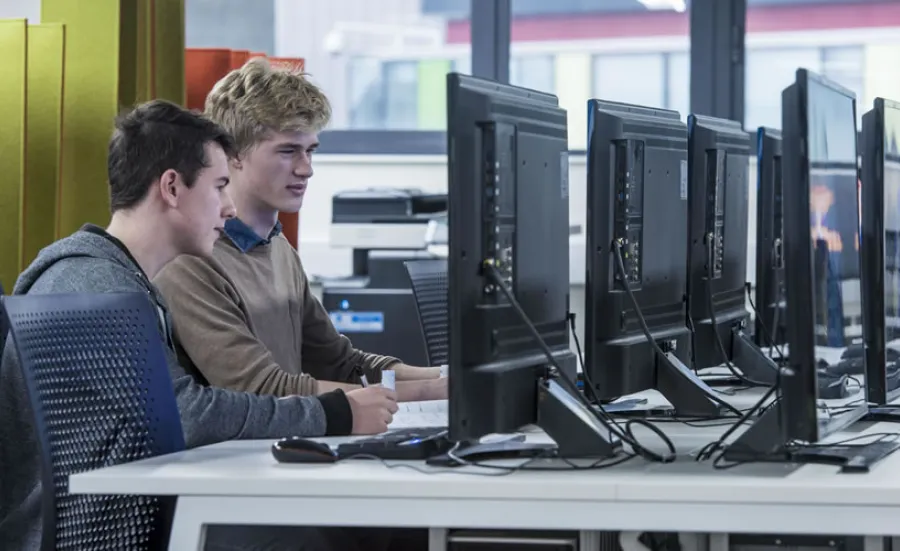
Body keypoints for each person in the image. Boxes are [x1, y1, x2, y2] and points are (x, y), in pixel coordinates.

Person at [0, 100, 400, 551]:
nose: (229, 208)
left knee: (356, 528)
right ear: (172, 187)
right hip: (101, 535)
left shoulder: (125, 282)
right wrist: (334, 413)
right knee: (319, 538)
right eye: (220, 186)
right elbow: (184, 415)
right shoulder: (87, 285)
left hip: (137, 514)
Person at [153, 58, 447, 403]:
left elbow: (341, 364)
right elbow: (263, 390)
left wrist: (445, 377)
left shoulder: (279, 250)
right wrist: (428, 392)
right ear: (232, 154)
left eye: (310, 151)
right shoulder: (190, 262)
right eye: (288, 151)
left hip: (289, 432)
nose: (306, 169)